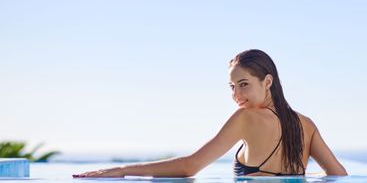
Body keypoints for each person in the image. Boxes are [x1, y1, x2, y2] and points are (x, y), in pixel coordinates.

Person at [73, 49, 347, 178]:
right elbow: (338, 175)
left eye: (244, 85)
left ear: (268, 82)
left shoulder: (246, 118)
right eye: (232, 87)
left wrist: (121, 171)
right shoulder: (306, 125)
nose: (236, 96)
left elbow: (189, 167)